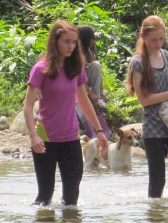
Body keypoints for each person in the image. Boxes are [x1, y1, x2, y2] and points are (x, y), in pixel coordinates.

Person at [23, 20, 109, 206]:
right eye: (67, 42)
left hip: (70, 138)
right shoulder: (41, 69)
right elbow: (28, 106)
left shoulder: (75, 68)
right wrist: (33, 136)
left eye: (74, 42)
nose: (71, 46)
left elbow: (84, 101)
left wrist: (99, 130)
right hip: (45, 139)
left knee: (71, 199)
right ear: (55, 42)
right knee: (44, 197)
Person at [126, 15, 168, 198]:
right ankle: (155, 214)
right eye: (154, 40)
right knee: (157, 180)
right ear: (143, 37)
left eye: (162, 39)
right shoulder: (138, 63)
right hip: (153, 128)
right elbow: (144, 100)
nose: (158, 44)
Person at [75, 25, 112, 143]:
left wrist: (100, 92)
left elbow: (98, 74)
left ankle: (97, 102)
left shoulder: (89, 51)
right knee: (78, 101)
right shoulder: (75, 53)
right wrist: (90, 93)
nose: (93, 40)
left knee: (96, 65)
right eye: (92, 38)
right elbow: (77, 77)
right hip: (76, 85)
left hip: (85, 80)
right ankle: (87, 127)